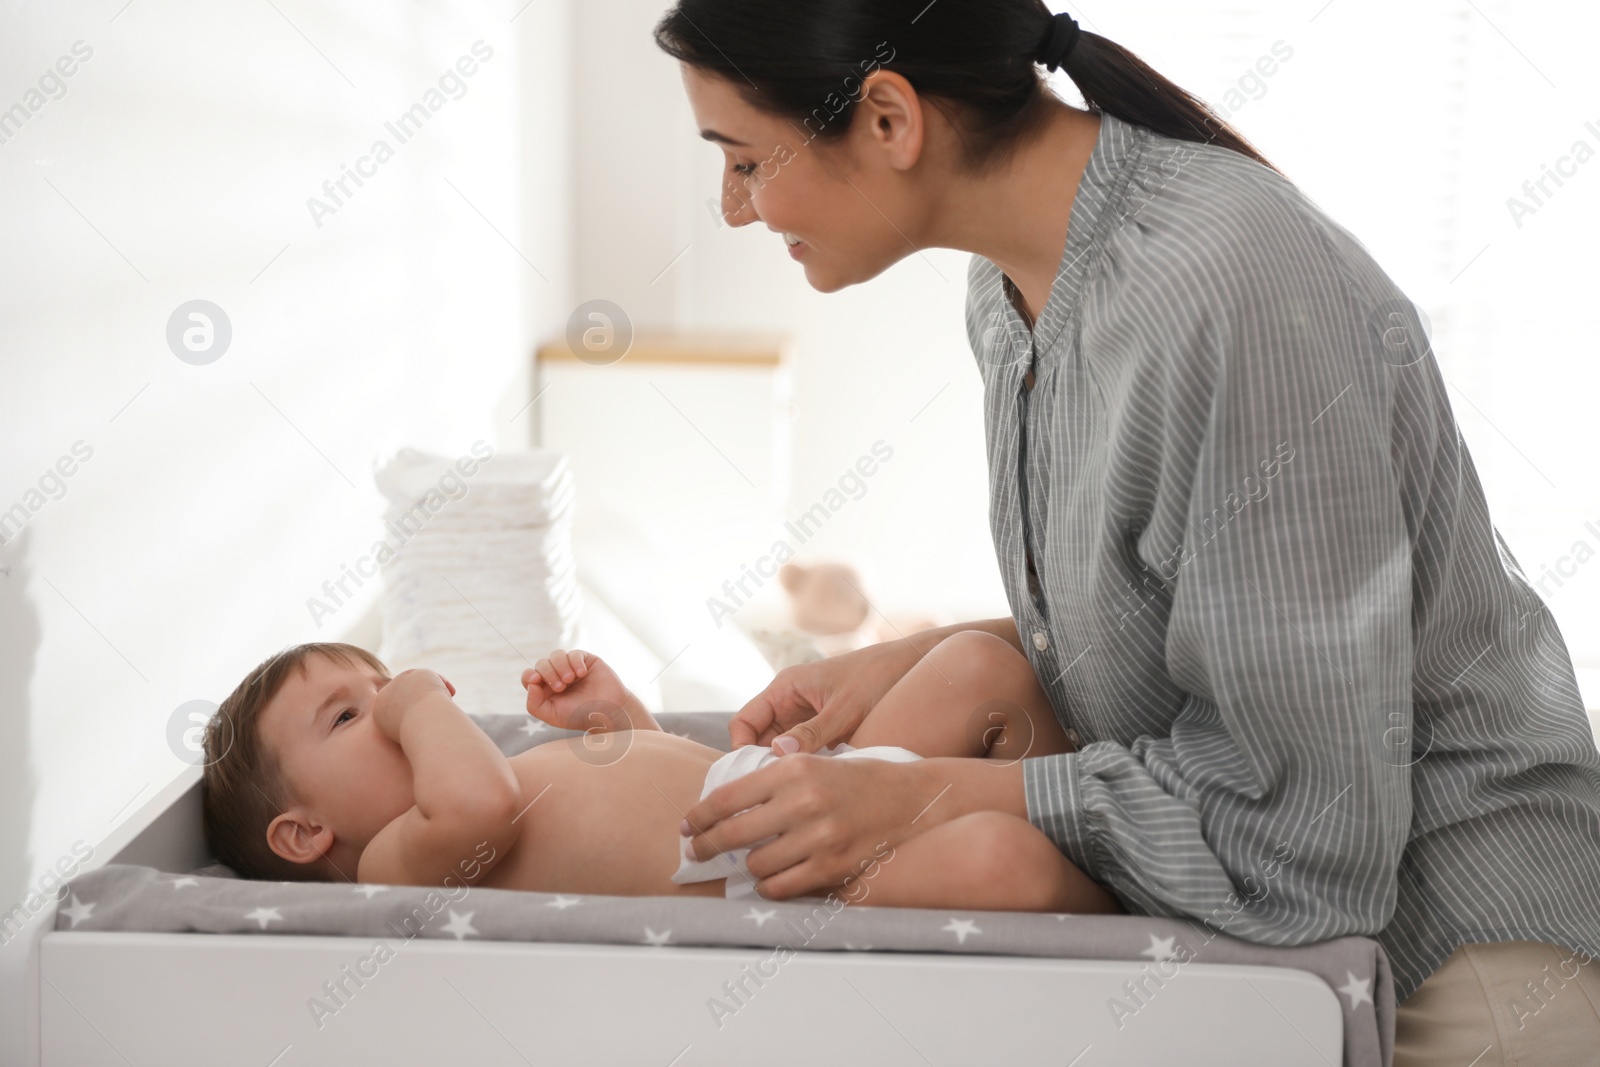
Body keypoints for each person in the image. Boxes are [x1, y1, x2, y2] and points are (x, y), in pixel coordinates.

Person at [656, 1, 1600, 1061]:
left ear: (887, 119)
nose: (734, 208)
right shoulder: (1007, 291)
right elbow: (1184, 612)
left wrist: (920, 793)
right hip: (1294, 918)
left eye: (742, 160)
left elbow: (1301, 829)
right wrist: (900, 658)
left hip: (1458, 944)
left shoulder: (1226, 281)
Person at [198, 635, 1119, 915]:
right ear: (305, 832)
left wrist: (616, 719)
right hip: (787, 870)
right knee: (1002, 861)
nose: (391, 706)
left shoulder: (498, 774)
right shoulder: (390, 866)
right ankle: (1119, 910)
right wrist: (415, 702)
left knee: (979, 669)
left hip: (781, 779)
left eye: (376, 687)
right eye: (349, 715)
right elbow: (480, 797)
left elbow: (666, 785)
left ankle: (1106, 836)